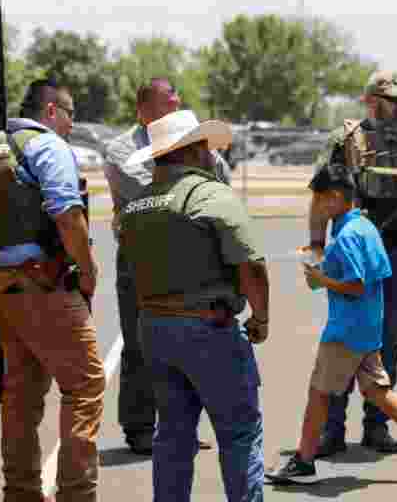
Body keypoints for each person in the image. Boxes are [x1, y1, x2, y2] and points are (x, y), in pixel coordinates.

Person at [266, 165, 397, 485]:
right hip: (366, 327)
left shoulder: (348, 234)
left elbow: (357, 285)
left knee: (319, 394)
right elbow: (373, 273)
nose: (318, 208)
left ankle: (303, 460)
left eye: (321, 200)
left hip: (345, 331)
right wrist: (326, 269)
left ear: (337, 198)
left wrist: (321, 278)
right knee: (377, 390)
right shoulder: (364, 226)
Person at [118, 109, 270, 501]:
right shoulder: (211, 194)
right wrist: (261, 318)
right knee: (239, 433)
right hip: (208, 330)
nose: (209, 152)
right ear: (192, 150)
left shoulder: (136, 205)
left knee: (171, 434)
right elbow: (252, 267)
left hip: (154, 329)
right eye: (203, 145)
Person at [307, 70, 397, 456]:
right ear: (372, 101)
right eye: (395, 99)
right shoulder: (346, 139)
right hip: (351, 253)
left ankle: (377, 426)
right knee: (343, 335)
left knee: (388, 339)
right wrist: (316, 245)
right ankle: (331, 431)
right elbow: (321, 194)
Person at [0, 79, 104, 502]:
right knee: (84, 388)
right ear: (51, 110)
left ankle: (22, 493)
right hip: (44, 286)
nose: (71, 124)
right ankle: (76, 495)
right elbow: (67, 214)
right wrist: (88, 271)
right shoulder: (46, 146)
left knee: (21, 398)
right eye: (69, 114)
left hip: (1, 288)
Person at [102, 77, 223, 454]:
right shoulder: (121, 149)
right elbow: (156, 194)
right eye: (167, 103)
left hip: (189, 258)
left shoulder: (191, 140)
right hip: (141, 260)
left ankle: (181, 425)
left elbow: (221, 180)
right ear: (143, 110)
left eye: (176, 102)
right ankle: (139, 427)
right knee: (139, 344)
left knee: (187, 341)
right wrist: (196, 182)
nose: (176, 107)